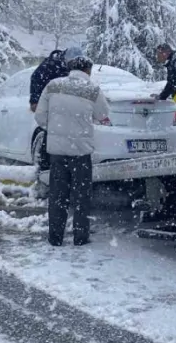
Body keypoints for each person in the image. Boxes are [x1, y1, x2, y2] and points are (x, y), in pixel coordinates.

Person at [33, 52, 109, 246]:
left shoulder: (53, 85)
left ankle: (55, 237)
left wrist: (56, 129)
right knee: (81, 196)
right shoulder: (93, 89)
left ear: (71, 69)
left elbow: (40, 117)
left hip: (57, 152)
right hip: (81, 152)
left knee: (58, 195)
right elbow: (102, 115)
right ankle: (80, 237)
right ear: (88, 70)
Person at [29, 46, 81, 112]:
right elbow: (35, 77)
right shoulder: (50, 65)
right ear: (66, 58)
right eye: (72, 62)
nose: (73, 65)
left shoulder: (73, 66)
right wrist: (35, 101)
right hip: (46, 98)